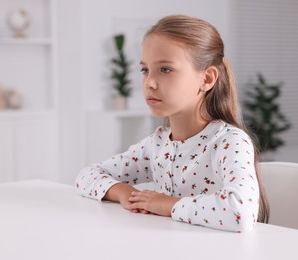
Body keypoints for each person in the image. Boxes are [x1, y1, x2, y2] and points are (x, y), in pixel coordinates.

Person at [75, 15, 269, 232]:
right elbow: (87, 175)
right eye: (145, 70)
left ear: (207, 79)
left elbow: (240, 211)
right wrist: (124, 193)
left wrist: (165, 204)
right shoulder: (156, 146)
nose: (149, 83)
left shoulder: (228, 142)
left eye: (165, 69)